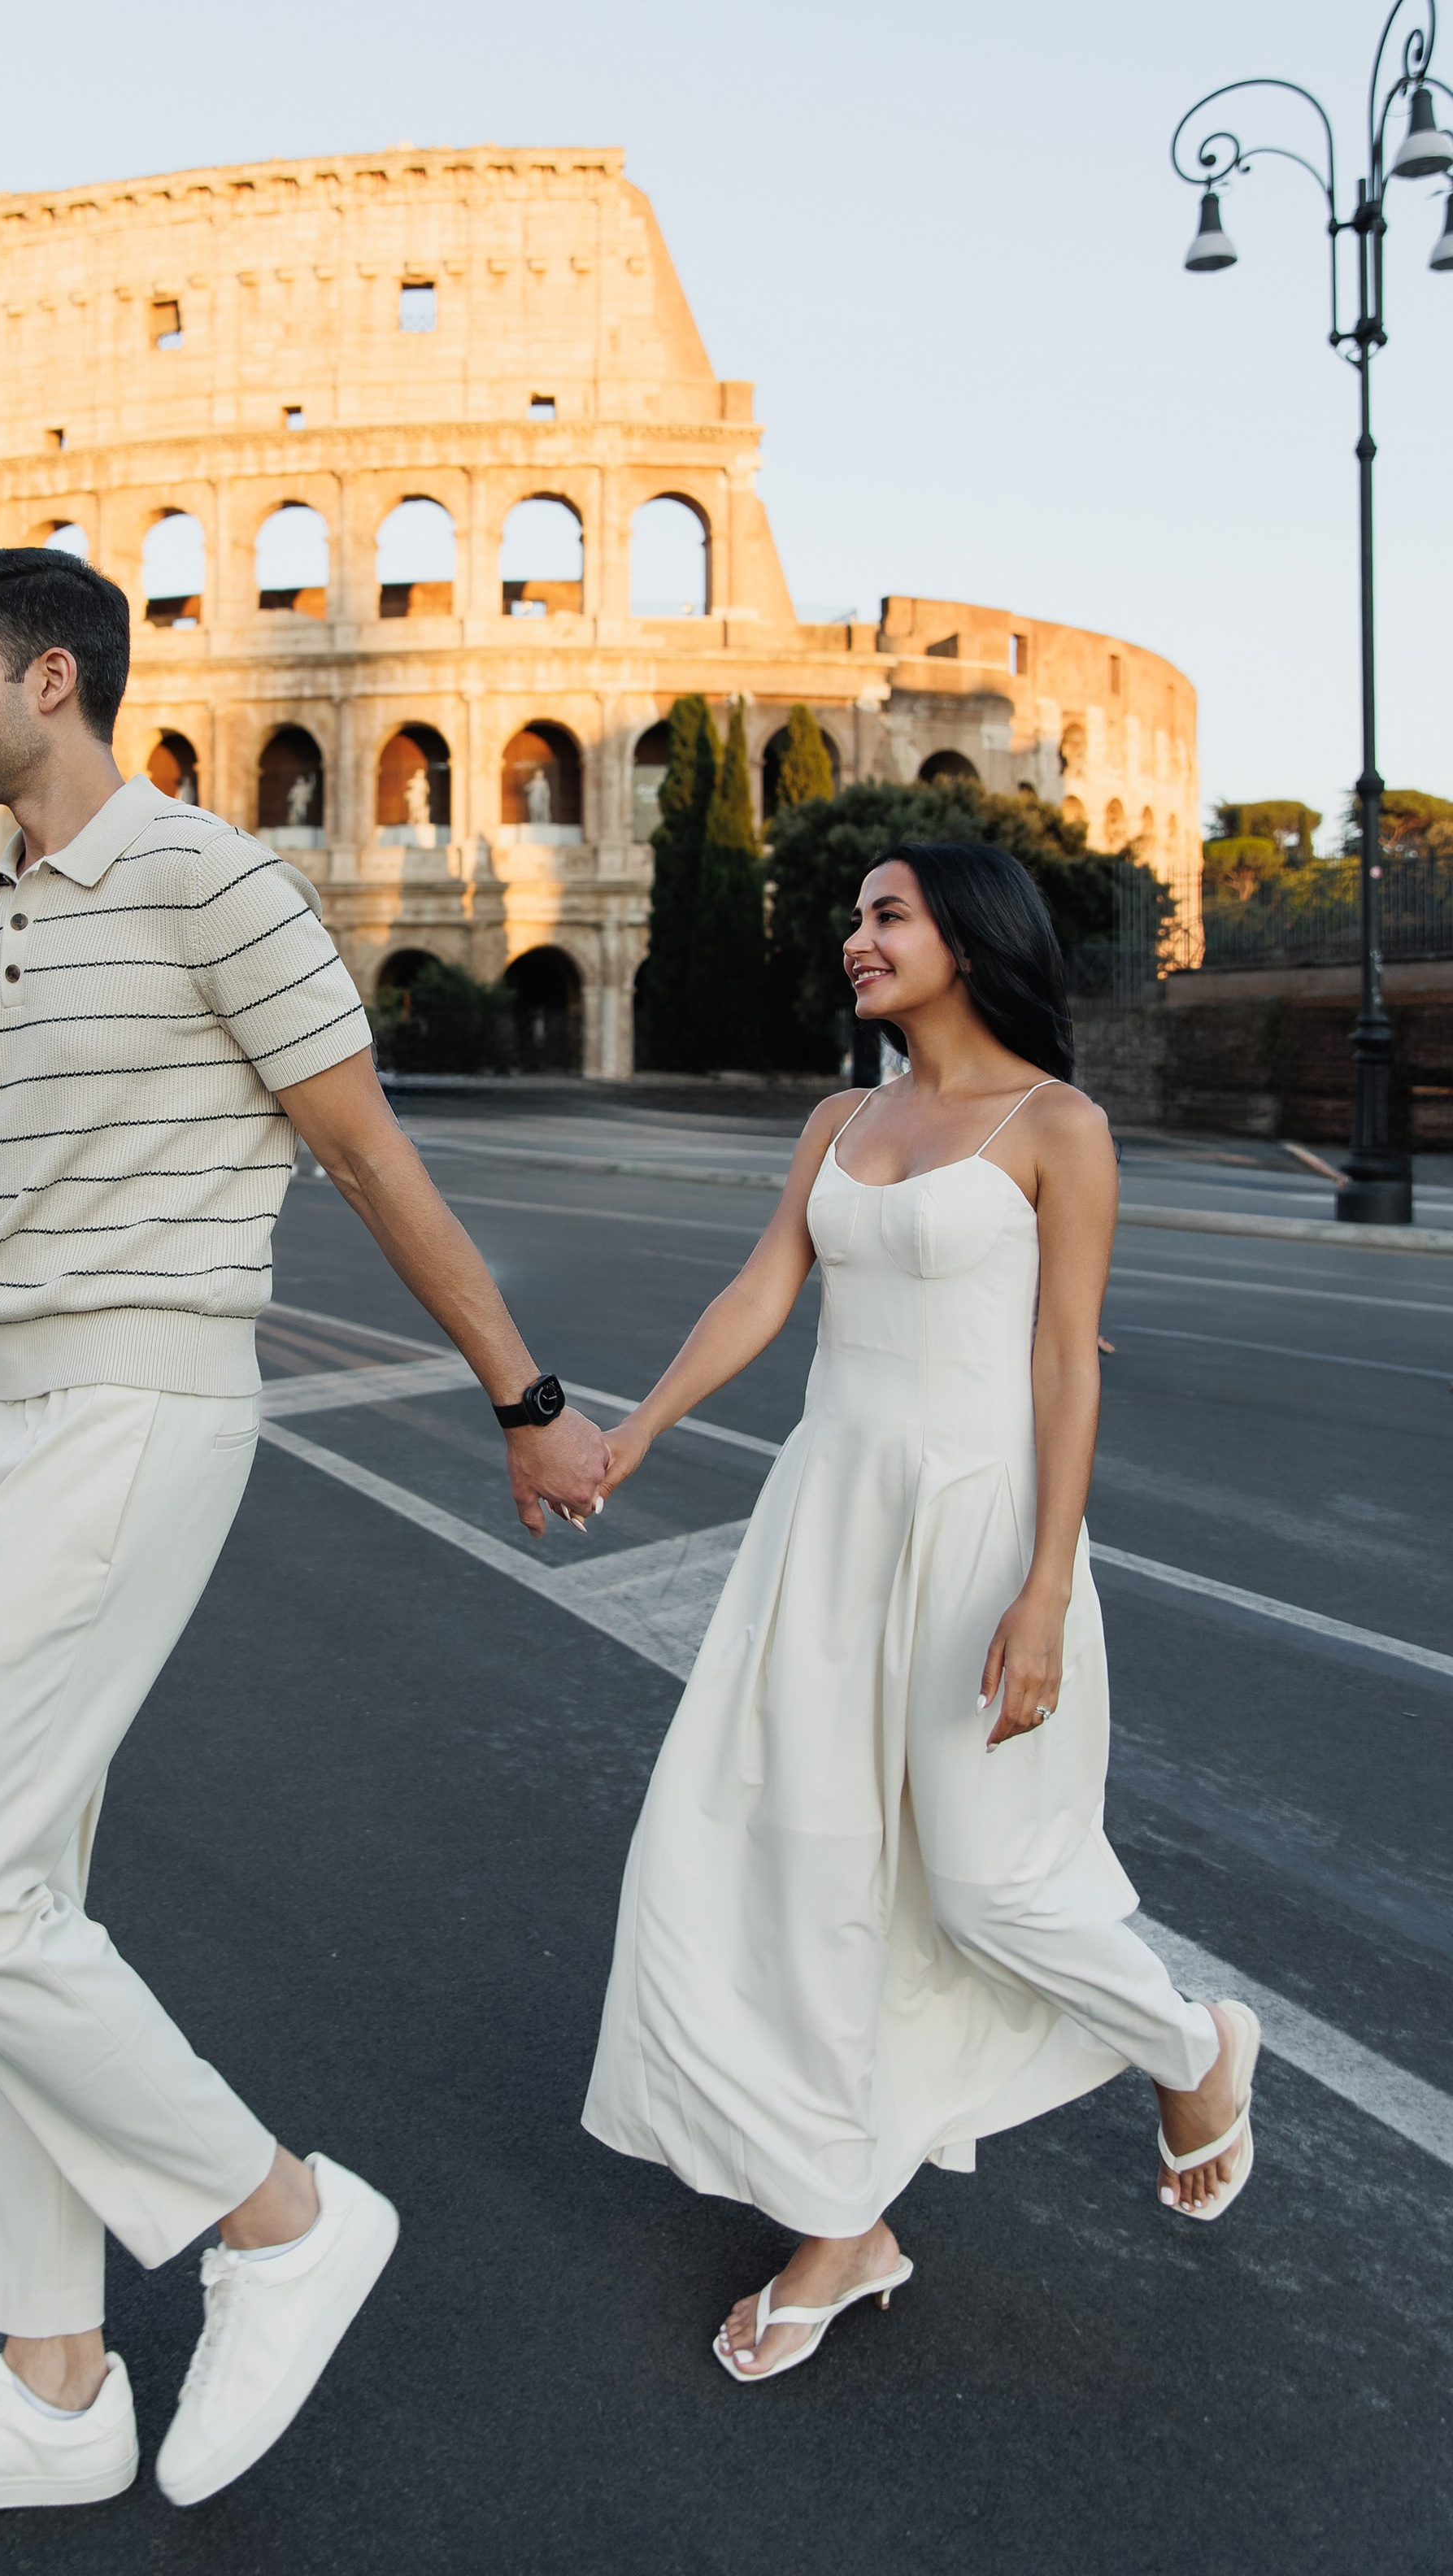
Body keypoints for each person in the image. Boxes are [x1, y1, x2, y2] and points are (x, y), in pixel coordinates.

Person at [0, 547, 607, 2530]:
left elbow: (359, 1152)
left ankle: (276, 2220)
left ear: (50, 679)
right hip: (2, 1423)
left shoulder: (212, 881)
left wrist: (522, 1399)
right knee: (16, 1901)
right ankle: (48, 2382)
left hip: (147, 1404)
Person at [583, 842, 1259, 2385]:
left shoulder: (1059, 1129)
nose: (856, 938)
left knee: (983, 1886)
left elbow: (1068, 1366)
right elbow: (764, 1292)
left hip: (978, 1542)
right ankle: (845, 2221)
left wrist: (1043, 1588)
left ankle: (1192, 2049)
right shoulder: (840, 1117)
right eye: (860, 916)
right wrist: (635, 1434)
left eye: (888, 914)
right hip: (827, 1522)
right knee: (814, 1868)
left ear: (970, 933)